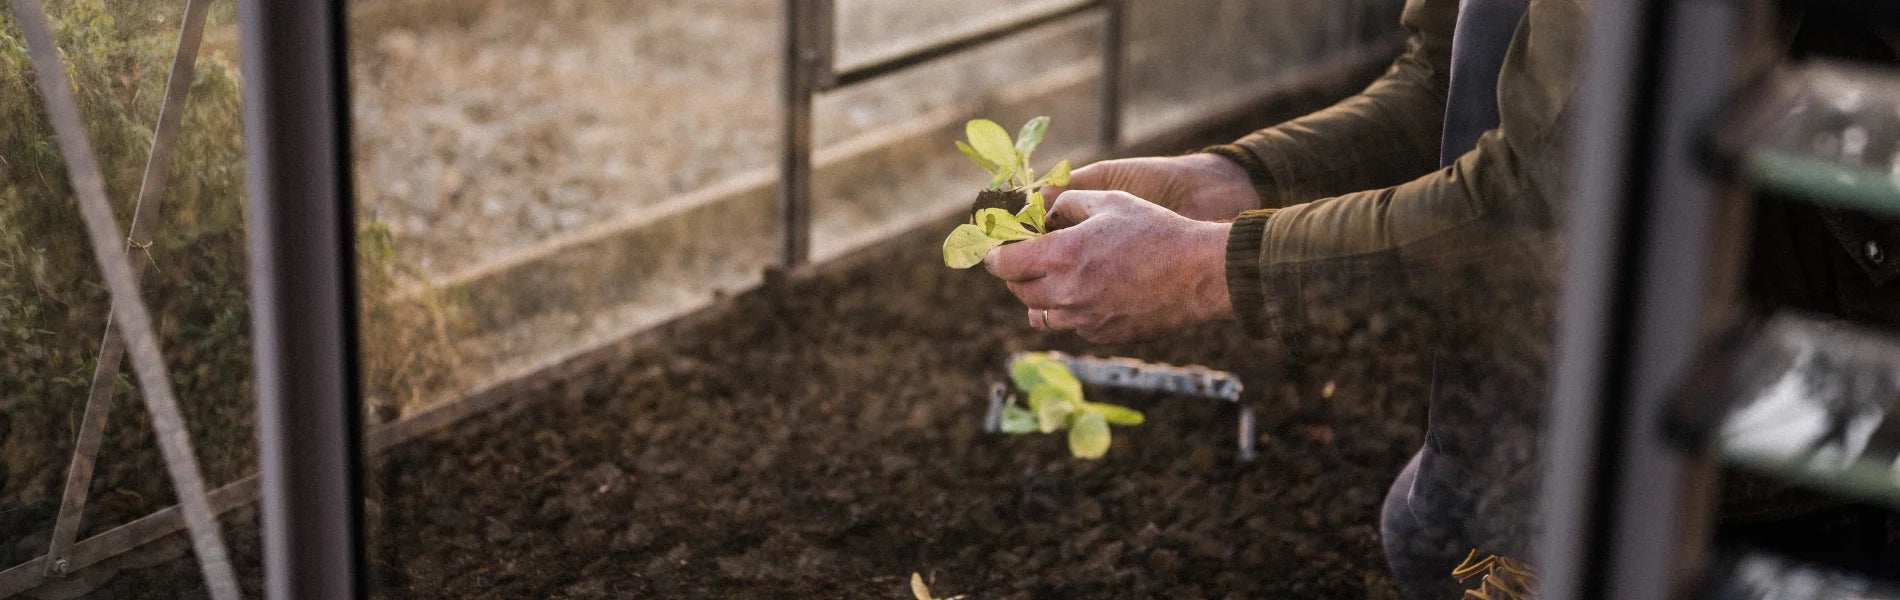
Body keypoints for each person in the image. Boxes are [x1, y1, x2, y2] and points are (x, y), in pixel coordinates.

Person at [982, 0, 1900, 597]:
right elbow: (1446, 82)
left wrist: (1204, 266)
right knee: (1448, 544)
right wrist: (1230, 180)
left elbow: (1545, 207)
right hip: (1543, 442)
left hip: (1764, 471)